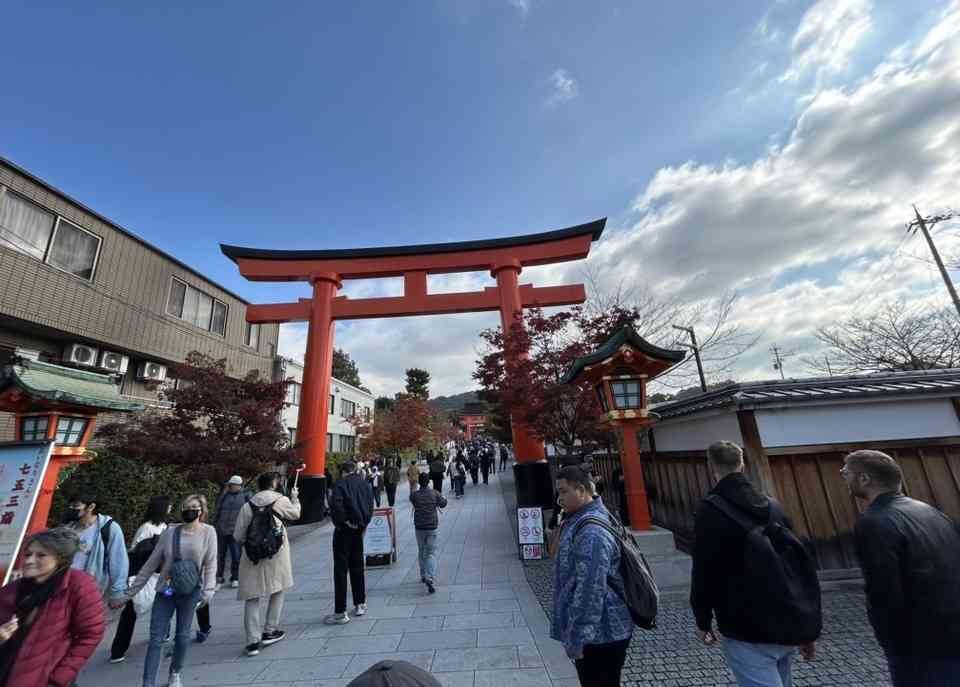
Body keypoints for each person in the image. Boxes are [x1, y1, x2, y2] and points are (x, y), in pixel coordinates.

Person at [691, 441, 819, 687]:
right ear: (743, 463)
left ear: (711, 467)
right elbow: (798, 564)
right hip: (786, 611)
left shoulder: (710, 510)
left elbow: (705, 570)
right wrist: (807, 627)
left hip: (744, 617)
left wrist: (702, 620)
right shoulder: (773, 505)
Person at [842, 449, 960, 686]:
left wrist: (890, 640)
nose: (843, 473)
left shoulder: (874, 522)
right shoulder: (930, 511)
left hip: (920, 641)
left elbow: (884, 591)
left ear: (864, 478)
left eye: (847, 470)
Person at [114, 494, 217, 687]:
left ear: (201, 511)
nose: (190, 509)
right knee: (156, 639)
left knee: (182, 636)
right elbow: (150, 564)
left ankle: (175, 673)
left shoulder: (208, 532)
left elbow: (211, 564)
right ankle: (148, 683)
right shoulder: (170, 532)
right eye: (187, 506)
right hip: (166, 590)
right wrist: (128, 594)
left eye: (194, 506)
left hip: (190, 592)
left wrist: (208, 591)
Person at [551, 465, 632, 687]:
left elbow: (590, 589)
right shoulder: (578, 518)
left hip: (602, 633)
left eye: (564, 491)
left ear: (582, 490)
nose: (560, 498)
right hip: (599, 632)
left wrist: (578, 637)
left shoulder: (592, 531)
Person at [0, 528, 105, 687]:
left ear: (61, 559)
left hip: (42, 679)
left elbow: (91, 634)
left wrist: (59, 678)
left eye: (41, 555)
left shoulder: (79, 585)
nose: (29, 560)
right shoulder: (11, 590)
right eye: (28, 554)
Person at [234, 471, 301, 657]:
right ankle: (270, 630)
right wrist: (295, 498)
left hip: (253, 555)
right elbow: (296, 514)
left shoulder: (248, 505)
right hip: (276, 552)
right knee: (278, 589)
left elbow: (238, 535)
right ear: (273, 484)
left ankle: (252, 642)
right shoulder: (280, 500)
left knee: (252, 597)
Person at [110, 495, 171, 663]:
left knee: (166, 602)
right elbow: (136, 552)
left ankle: (164, 632)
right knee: (130, 611)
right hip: (142, 576)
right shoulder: (146, 529)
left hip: (162, 575)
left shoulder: (165, 526)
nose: (171, 509)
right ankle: (118, 649)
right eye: (169, 506)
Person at [326, 460, 374, 624]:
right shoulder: (364, 484)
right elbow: (370, 505)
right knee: (358, 565)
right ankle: (360, 603)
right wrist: (363, 523)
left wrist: (345, 521)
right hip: (359, 528)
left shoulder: (340, 485)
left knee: (341, 569)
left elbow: (336, 506)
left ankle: (340, 611)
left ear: (343, 471)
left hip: (344, 530)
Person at [64, 492, 129, 603]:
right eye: (70, 505)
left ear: (91, 507)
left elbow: (118, 560)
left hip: (88, 588)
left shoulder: (109, 528)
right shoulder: (69, 527)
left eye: (76, 506)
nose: (71, 509)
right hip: (64, 584)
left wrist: (118, 591)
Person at [410, 473, 448, 593]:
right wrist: (444, 499)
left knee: (421, 550)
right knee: (431, 553)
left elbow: (413, 500)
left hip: (419, 527)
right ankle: (429, 576)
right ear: (429, 482)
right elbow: (443, 503)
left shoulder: (414, 495)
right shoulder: (434, 493)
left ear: (419, 482)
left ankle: (422, 575)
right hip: (432, 527)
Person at [212, 475, 250, 589]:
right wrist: (215, 525)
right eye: (229, 485)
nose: (229, 487)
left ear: (238, 485)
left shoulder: (246, 496)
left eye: (231, 485)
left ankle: (235, 578)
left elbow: (249, 514)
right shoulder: (224, 496)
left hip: (236, 531)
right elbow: (217, 510)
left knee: (236, 556)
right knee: (220, 556)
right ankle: (219, 579)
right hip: (222, 530)